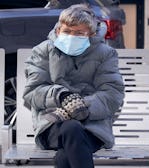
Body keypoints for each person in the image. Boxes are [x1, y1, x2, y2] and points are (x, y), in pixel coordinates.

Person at [23, 4, 125, 168]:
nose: (72, 36)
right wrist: (62, 96)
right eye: (67, 31)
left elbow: (112, 93)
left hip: (92, 128)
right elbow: (32, 92)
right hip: (52, 126)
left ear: (91, 34)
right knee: (71, 128)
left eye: (79, 33)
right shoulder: (43, 51)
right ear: (58, 31)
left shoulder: (105, 54)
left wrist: (82, 106)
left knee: (65, 154)